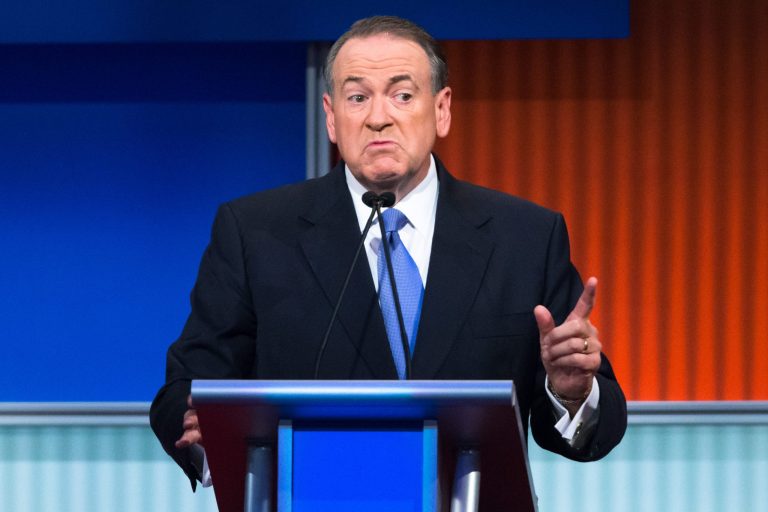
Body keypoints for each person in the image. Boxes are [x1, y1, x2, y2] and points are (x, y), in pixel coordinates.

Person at [150, 15, 627, 489]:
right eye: (357, 97)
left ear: (441, 109)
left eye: (402, 95)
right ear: (331, 116)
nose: (378, 117)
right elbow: (185, 389)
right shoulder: (255, 231)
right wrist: (205, 433)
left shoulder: (525, 237)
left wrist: (570, 391)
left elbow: (597, 421)